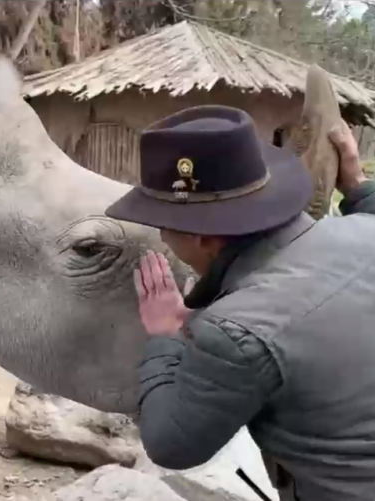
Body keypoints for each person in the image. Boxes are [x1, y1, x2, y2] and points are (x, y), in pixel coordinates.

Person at [104, 104, 375, 501]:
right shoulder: (364, 231)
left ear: (203, 237)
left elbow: (171, 445)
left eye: (163, 225)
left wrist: (167, 333)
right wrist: (358, 185)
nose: (162, 239)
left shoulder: (234, 331)